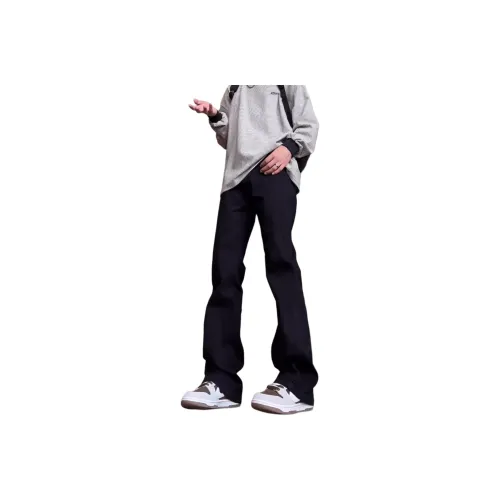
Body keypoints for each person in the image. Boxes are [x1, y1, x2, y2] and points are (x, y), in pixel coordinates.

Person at [181, 85, 319, 414]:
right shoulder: (236, 86)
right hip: (235, 182)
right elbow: (231, 139)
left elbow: (308, 125)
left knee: (282, 269)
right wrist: (216, 116)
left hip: (275, 176)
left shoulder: (287, 80)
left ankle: (297, 382)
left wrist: (288, 148)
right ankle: (221, 381)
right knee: (224, 273)